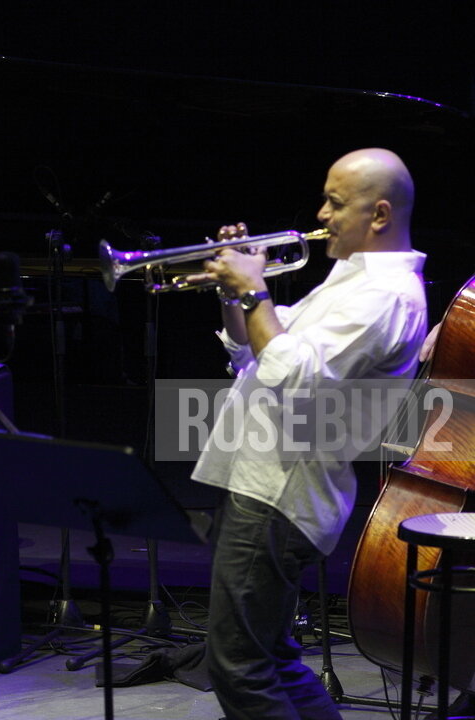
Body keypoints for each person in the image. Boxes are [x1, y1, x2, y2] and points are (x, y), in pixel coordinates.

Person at [195, 148, 427, 719]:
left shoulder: (385, 295)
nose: (321, 214)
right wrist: (235, 295)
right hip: (264, 480)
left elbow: (292, 375)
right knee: (271, 658)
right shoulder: (352, 279)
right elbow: (259, 348)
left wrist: (255, 290)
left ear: (378, 215)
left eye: (335, 202)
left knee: (238, 666)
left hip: (280, 492)